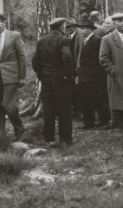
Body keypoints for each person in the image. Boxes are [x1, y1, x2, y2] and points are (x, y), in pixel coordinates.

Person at [31, 17, 74, 147]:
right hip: (60, 80)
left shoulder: (42, 40)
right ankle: (65, 140)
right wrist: (67, 74)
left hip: (46, 79)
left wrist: (41, 74)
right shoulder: (64, 40)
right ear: (61, 27)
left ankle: (49, 139)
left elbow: (35, 60)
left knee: (48, 110)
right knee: (64, 110)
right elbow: (67, 56)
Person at [0, 14, 27, 141]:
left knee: (9, 106)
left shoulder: (14, 36)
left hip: (12, 76)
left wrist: (22, 77)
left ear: (4, 24)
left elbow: (22, 57)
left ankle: (19, 130)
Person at [76, 18, 110, 129]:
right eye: (81, 28)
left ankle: (104, 120)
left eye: (83, 28)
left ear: (91, 29)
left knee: (98, 98)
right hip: (85, 76)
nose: (81, 31)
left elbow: (100, 58)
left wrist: (97, 75)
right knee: (85, 100)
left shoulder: (97, 40)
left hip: (94, 76)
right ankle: (88, 122)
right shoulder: (84, 41)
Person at [65, 18, 82, 115]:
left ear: (75, 27)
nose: (68, 29)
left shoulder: (78, 37)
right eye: (67, 27)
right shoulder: (67, 37)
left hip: (76, 66)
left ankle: (78, 109)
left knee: (77, 88)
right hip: (69, 67)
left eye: (70, 27)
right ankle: (74, 108)